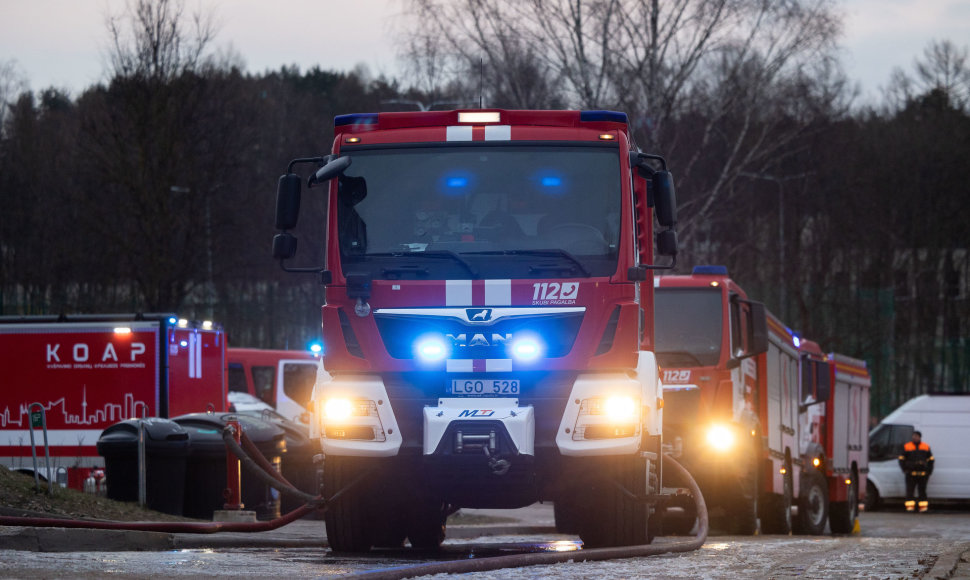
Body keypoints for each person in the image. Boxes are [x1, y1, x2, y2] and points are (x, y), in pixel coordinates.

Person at [898, 430, 934, 512]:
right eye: (913, 436)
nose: (914, 437)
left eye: (916, 436)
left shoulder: (925, 446)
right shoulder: (907, 446)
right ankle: (910, 508)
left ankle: (923, 508)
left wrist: (929, 471)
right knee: (910, 492)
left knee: (922, 492)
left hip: (923, 474)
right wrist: (904, 469)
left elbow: (931, 460)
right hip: (910, 473)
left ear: (919, 437)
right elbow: (901, 459)